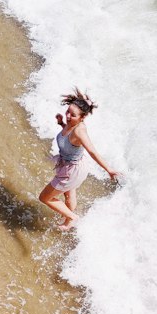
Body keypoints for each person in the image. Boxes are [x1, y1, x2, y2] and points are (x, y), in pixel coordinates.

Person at [39, 90, 118, 228]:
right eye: (68, 112)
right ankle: (68, 222)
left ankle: (72, 217)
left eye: (73, 115)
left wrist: (109, 170)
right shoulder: (72, 125)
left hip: (72, 171)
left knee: (45, 198)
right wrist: (62, 124)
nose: (68, 116)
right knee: (69, 196)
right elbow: (69, 139)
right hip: (73, 167)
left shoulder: (80, 131)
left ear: (82, 118)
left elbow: (92, 151)